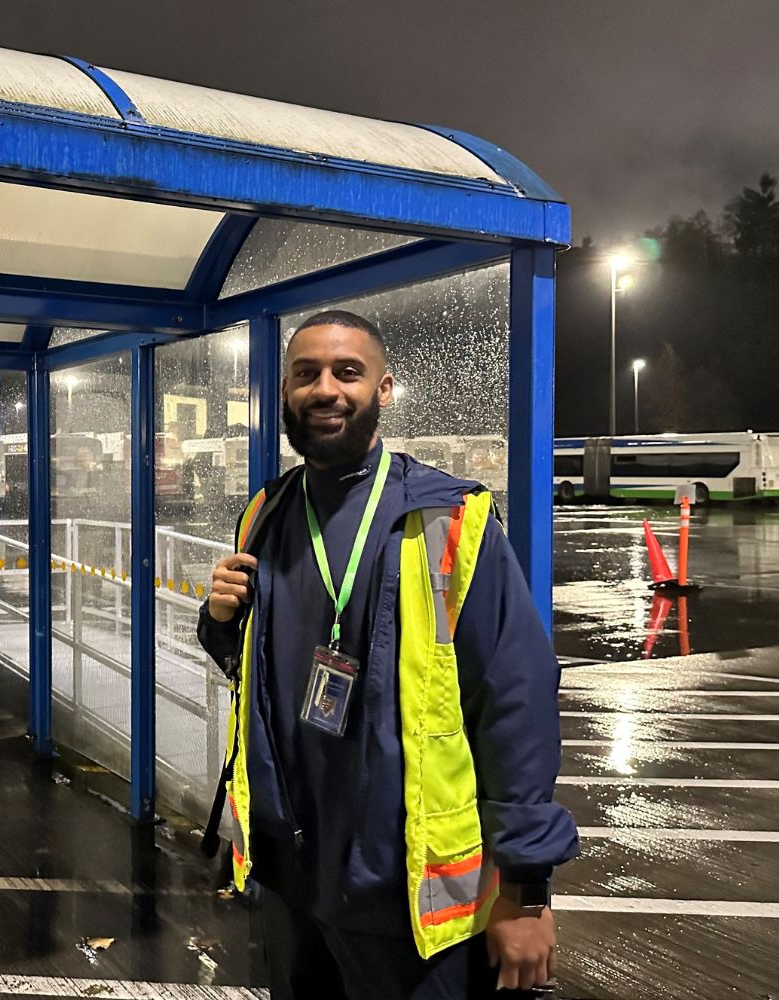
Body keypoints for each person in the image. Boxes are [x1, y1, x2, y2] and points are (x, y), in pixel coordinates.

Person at [197, 310, 577, 999]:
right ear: (284, 392)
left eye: (348, 372)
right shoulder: (265, 514)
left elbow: (514, 703)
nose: (326, 389)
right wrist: (220, 621)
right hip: (289, 885)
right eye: (306, 373)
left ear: (385, 389)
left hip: (402, 903)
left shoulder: (448, 520)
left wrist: (525, 890)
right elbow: (252, 674)